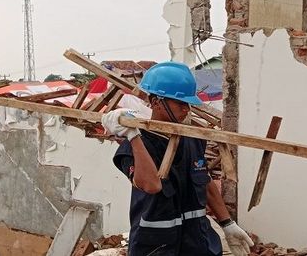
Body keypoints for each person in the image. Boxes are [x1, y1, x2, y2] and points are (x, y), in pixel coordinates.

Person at [101, 61, 253, 256]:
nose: (186, 110)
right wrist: (133, 136)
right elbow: (151, 185)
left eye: (187, 104)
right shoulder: (135, 146)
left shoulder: (191, 139)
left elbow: (204, 182)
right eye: (180, 103)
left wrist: (227, 223)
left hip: (197, 243)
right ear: (156, 102)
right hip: (156, 247)